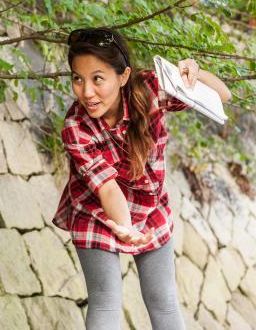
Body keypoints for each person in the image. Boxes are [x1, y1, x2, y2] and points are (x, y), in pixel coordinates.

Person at [53, 28, 231, 330]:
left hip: (151, 207)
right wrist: (124, 228)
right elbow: (108, 190)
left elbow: (222, 95)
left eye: (97, 78)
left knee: (163, 301)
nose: (86, 92)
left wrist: (195, 73)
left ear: (123, 77)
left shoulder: (150, 88)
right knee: (106, 300)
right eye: (77, 78)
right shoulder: (76, 126)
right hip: (98, 212)